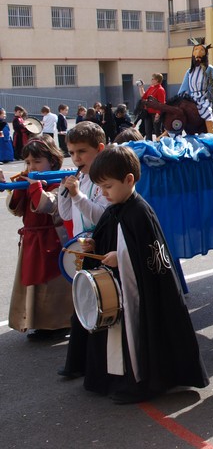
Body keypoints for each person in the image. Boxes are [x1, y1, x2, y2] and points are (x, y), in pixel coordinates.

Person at [80, 145, 208, 402]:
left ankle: (144, 382)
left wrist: (121, 258)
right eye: (100, 188)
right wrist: (94, 246)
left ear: (129, 180)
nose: (103, 194)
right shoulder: (116, 207)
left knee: (139, 336)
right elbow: (112, 239)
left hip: (140, 297)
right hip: (121, 292)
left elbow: (149, 259)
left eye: (107, 187)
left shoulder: (140, 212)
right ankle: (118, 376)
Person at [1, 135, 71, 340]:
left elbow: (50, 206)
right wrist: (12, 188)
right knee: (33, 283)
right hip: (31, 238)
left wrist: (35, 187)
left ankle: (58, 323)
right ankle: (36, 321)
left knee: (51, 283)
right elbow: (16, 209)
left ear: (53, 161)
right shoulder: (29, 179)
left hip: (52, 238)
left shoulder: (59, 181)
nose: (31, 166)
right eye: (28, 162)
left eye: (37, 161)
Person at [57, 121, 109, 379]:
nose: (76, 158)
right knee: (82, 303)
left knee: (98, 304)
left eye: (81, 152)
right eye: (72, 152)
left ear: (99, 149)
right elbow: (66, 213)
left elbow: (100, 217)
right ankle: (78, 362)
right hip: (81, 247)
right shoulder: (80, 178)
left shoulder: (104, 180)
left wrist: (78, 195)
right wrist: (63, 191)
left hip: (98, 248)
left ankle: (94, 364)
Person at [178, 38, 213, 134]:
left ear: (205, 54)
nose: (198, 52)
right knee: (178, 112)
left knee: (207, 111)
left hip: (205, 98)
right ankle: (167, 133)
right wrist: (179, 99)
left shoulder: (209, 69)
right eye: (195, 49)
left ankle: (211, 133)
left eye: (201, 50)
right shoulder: (189, 71)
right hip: (192, 98)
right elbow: (184, 88)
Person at [138, 74, 166, 140]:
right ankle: (149, 145)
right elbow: (144, 96)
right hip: (148, 113)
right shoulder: (151, 88)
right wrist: (141, 87)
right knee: (148, 132)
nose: (151, 80)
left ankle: (160, 145)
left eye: (152, 79)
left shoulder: (160, 89)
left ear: (157, 80)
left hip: (155, 113)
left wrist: (158, 114)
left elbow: (162, 103)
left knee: (157, 131)